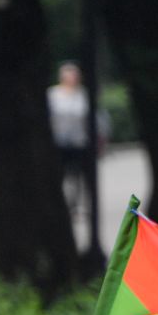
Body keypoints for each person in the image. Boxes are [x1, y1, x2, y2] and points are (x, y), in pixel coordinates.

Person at [46, 62, 103, 216]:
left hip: (80, 142)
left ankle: (77, 204)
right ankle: (61, 205)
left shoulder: (83, 95)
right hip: (59, 143)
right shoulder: (52, 95)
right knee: (60, 175)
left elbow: (96, 119)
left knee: (80, 176)